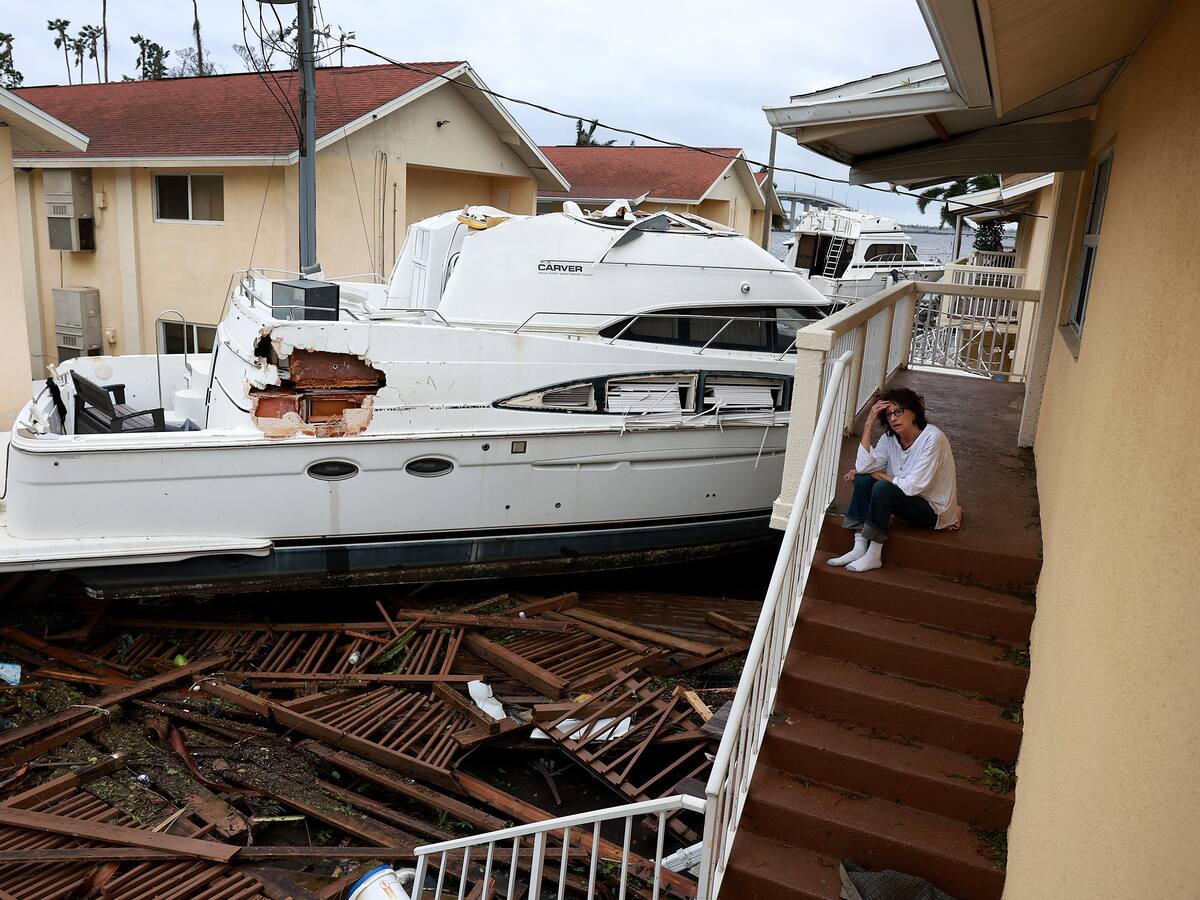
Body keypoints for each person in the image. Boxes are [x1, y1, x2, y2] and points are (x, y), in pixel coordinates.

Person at [828, 387, 958, 573]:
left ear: (913, 411)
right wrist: (868, 423)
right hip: (906, 500)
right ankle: (859, 547)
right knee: (863, 480)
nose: (893, 418)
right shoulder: (890, 438)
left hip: (932, 510)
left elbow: (912, 487)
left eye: (899, 412)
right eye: (889, 415)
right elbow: (865, 467)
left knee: (882, 487)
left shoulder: (932, 439)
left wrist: (879, 474)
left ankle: (874, 554)